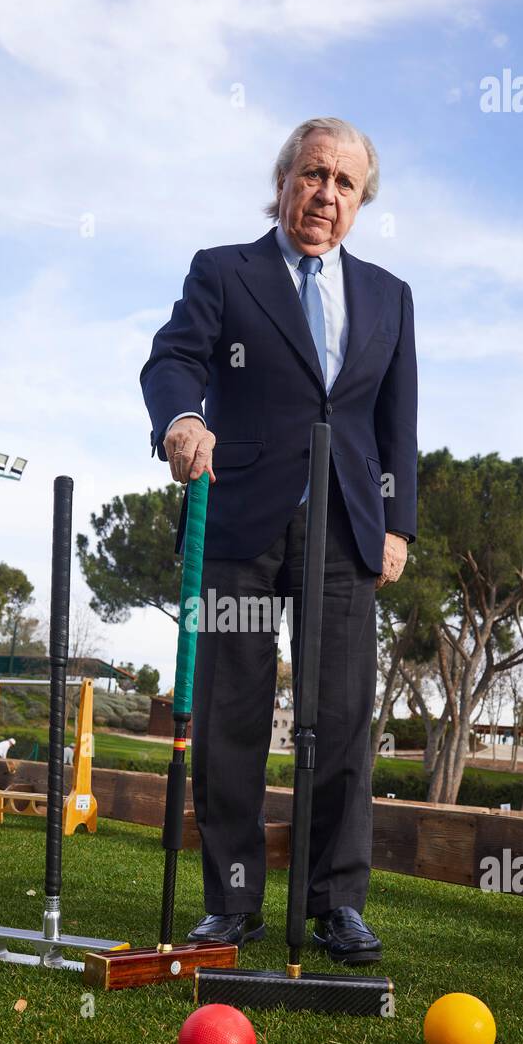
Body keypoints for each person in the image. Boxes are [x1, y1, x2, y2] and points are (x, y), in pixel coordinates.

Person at [140, 117, 417, 965]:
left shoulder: (389, 296)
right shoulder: (224, 271)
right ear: (284, 179)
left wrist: (398, 519)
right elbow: (172, 360)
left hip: (344, 526)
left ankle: (337, 905)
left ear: (361, 201)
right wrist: (183, 420)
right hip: (237, 521)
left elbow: (396, 419)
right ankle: (231, 903)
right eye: (312, 175)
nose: (325, 195)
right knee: (230, 715)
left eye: (344, 183)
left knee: (339, 720)